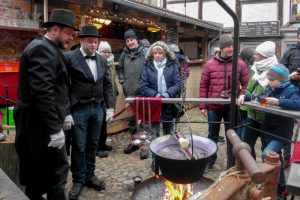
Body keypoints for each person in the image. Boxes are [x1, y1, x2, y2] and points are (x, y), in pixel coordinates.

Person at [13, 9, 77, 200]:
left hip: (44, 125)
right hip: (38, 128)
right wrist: (54, 130)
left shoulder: (51, 48)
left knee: (46, 176)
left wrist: (65, 112)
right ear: (55, 30)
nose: (71, 38)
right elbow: (42, 94)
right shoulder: (41, 48)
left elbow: (58, 88)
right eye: (68, 33)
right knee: (51, 176)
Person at [64, 25, 115, 200]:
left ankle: (89, 176)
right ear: (82, 41)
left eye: (96, 41)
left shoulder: (102, 59)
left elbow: (108, 84)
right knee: (79, 145)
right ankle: (78, 180)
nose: (93, 45)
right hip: (78, 108)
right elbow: (62, 86)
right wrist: (65, 111)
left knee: (93, 144)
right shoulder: (69, 58)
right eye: (90, 41)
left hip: (98, 108)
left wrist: (110, 107)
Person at [242, 64, 300, 198]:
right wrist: (245, 97)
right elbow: (261, 98)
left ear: (281, 79)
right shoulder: (273, 89)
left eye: (271, 80)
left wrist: (278, 102)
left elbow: (297, 103)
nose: (269, 82)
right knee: (275, 157)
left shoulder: (291, 90)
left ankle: (276, 186)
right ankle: (281, 188)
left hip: (281, 133)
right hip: (269, 130)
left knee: (267, 154)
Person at [199, 34, 250, 169]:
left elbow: (247, 84)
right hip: (214, 107)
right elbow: (203, 85)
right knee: (212, 135)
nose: (231, 48)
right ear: (221, 48)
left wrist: (242, 94)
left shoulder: (240, 64)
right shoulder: (209, 64)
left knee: (232, 136)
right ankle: (210, 160)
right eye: (228, 46)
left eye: (232, 45)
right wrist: (203, 106)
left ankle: (231, 162)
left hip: (232, 108)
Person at [140, 41, 181, 171]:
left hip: (168, 104)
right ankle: (155, 160)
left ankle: (167, 158)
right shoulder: (147, 66)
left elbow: (177, 83)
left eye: (160, 53)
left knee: (168, 133)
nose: (157, 55)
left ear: (165, 54)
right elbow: (143, 86)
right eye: (155, 53)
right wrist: (156, 95)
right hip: (154, 105)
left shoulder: (172, 65)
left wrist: (167, 94)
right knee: (155, 133)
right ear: (152, 54)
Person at [237, 41, 278, 160]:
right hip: (252, 116)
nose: (253, 56)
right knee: (246, 147)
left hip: (267, 119)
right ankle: (252, 171)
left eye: (256, 53)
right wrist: (243, 97)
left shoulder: (276, 72)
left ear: (264, 56)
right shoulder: (256, 69)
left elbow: (270, 99)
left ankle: (269, 176)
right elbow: (249, 88)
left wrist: (250, 98)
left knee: (267, 151)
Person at [117, 29, 148, 159]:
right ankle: (134, 143)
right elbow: (120, 69)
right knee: (132, 121)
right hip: (129, 93)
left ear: (137, 39)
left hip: (143, 93)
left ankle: (144, 146)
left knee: (144, 122)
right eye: (127, 40)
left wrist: (145, 85)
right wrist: (123, 82)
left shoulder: (145, 53)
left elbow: (150, 70)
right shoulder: (124, 54)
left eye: (132, 39)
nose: (130, 42)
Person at [96, 41, 119, 158]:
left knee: (104, 125)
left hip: (109, 97)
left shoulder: (110, 64)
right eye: (104, 52)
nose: (106, 54)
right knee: (98, 125)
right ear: (99, 52)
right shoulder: (97, 63)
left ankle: (103, 144)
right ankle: (98, 148)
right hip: (100, 99)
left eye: (108, 52)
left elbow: (111, 81)